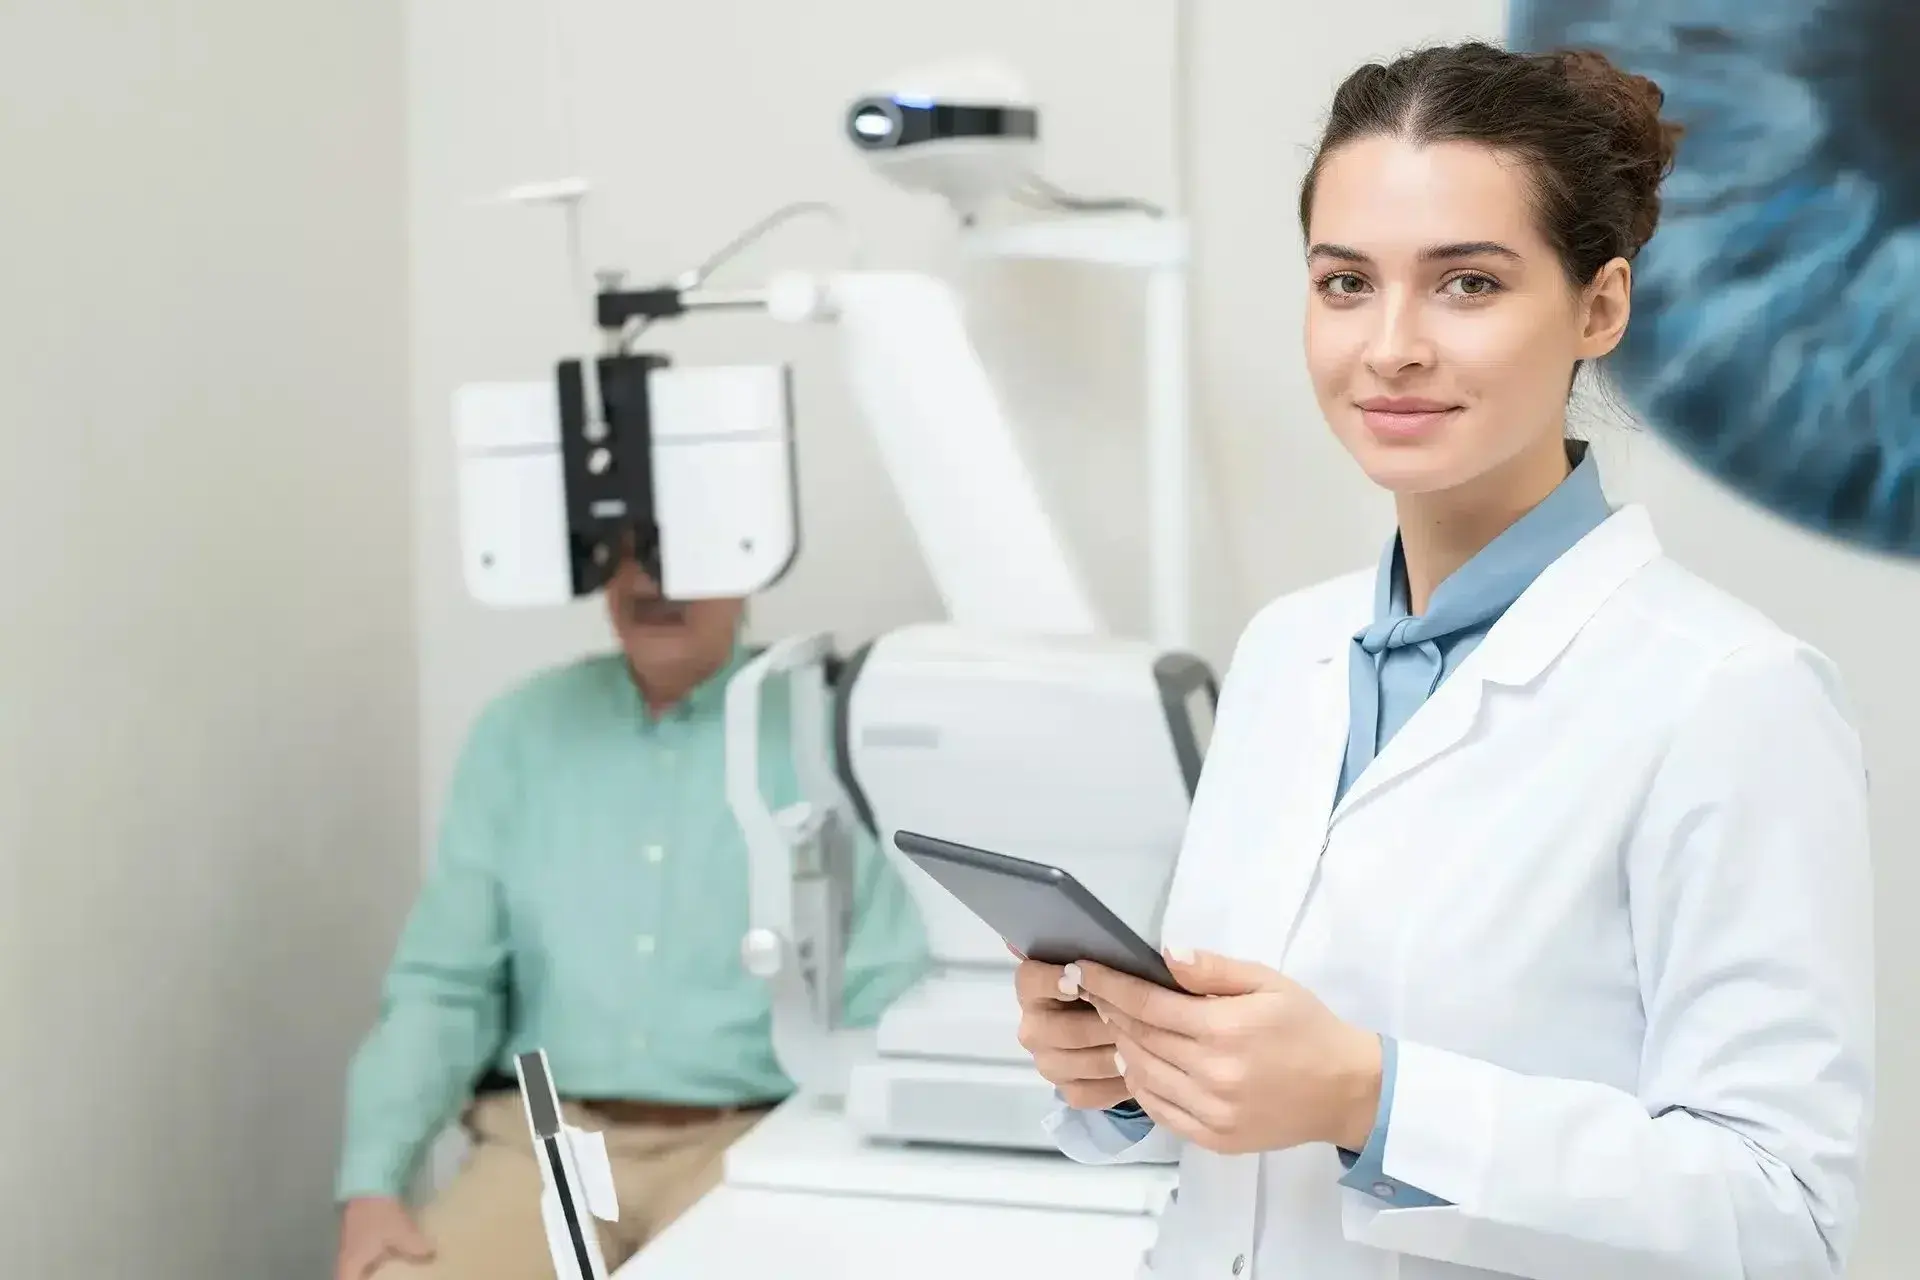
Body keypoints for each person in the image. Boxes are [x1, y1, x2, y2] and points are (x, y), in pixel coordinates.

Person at [1015, 40, 1875, 1280]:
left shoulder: (1733, 694)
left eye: (1467, 284)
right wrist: (1132, 1067)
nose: (1392, 346)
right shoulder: (1287, 649)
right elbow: (1255, 1121)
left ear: (1600, 305)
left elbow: (1781, 1212)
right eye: (1345, 282)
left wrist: (1376, 1097)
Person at [332, 549, 931, 1280]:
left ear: (746, 557)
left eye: (684, 551)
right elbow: (445, 986)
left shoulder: (823, 726)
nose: (653, 579)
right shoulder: (521, 732)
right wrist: (373, 1184)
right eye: (630, 551)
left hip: (751, 1146)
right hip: (547, 1144)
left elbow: (886, 987)